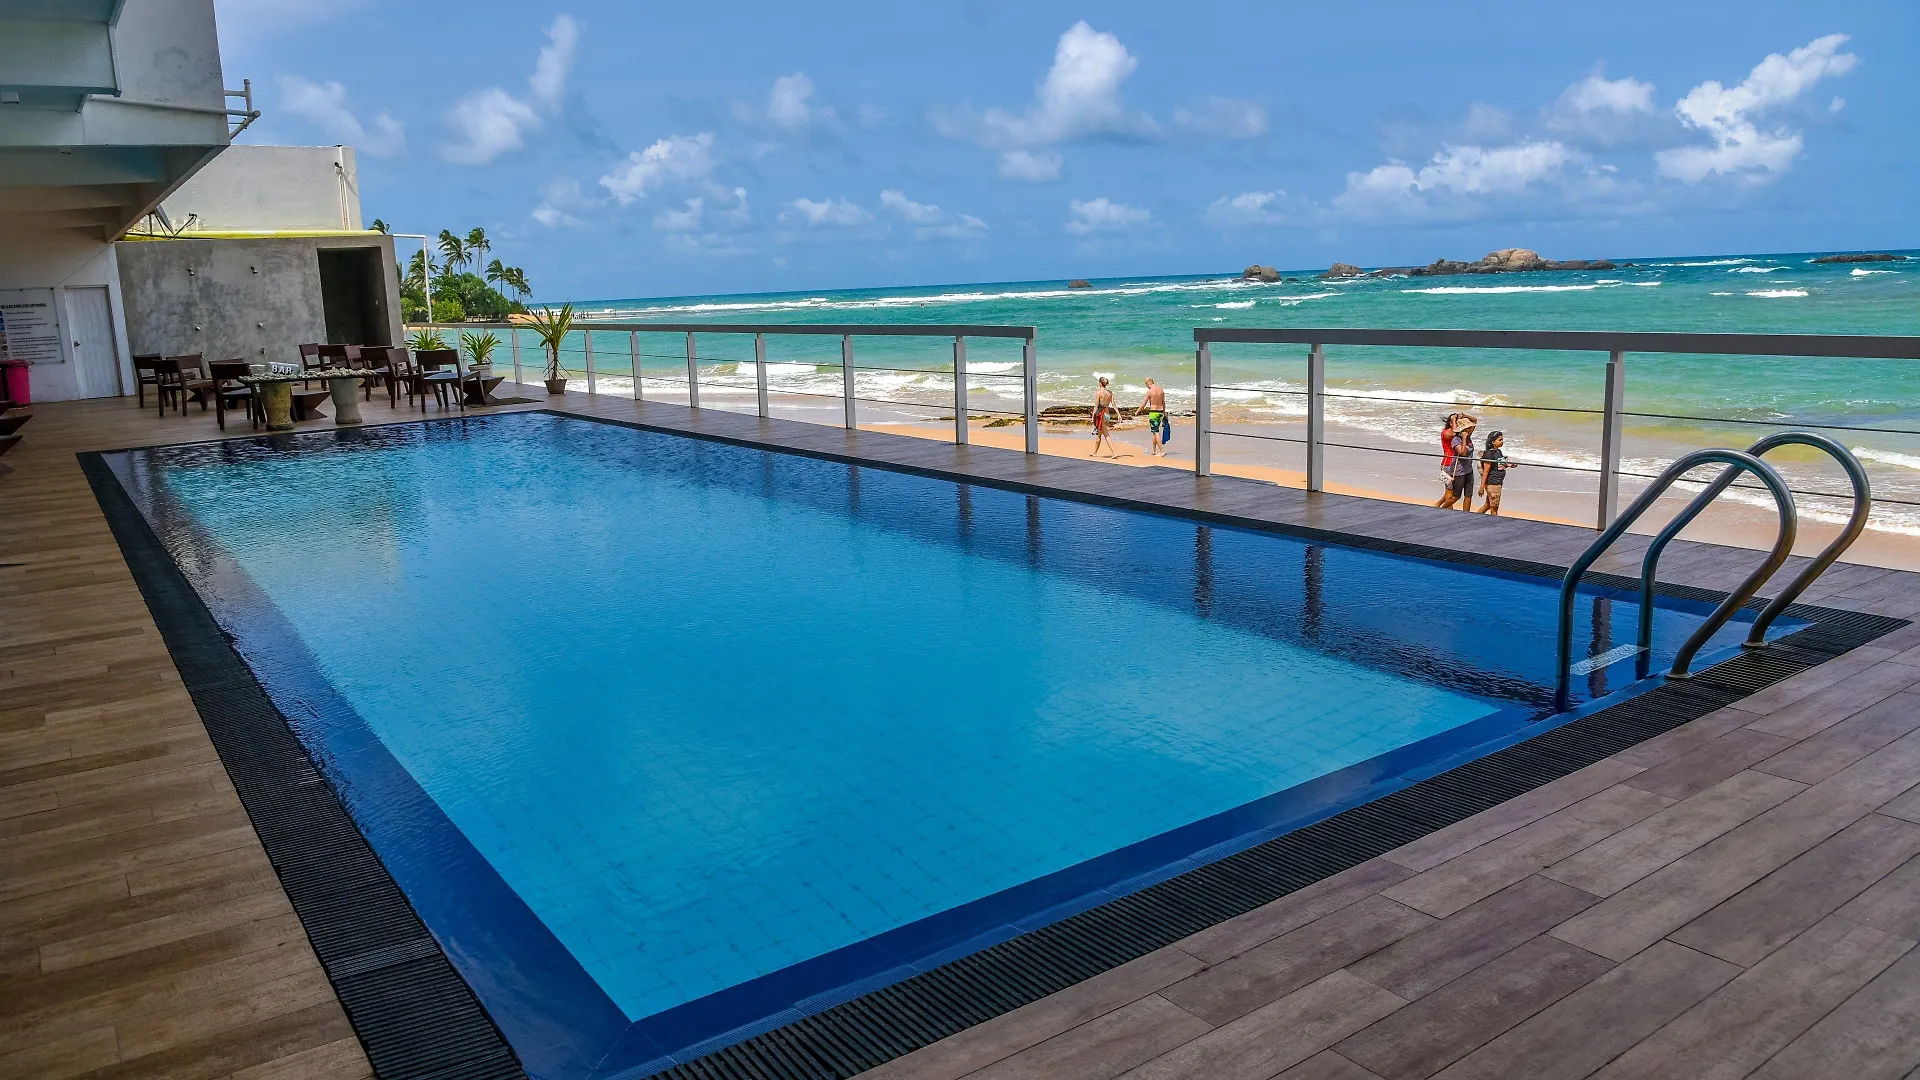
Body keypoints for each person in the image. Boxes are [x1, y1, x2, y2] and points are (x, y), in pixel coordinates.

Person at [1436, 415, 1476, 510]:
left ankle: (1439, 505)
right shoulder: (1451, 436)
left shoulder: (1467, 436)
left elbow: (1475, 421)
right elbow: (1462, 452)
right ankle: (1444, 509)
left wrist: (1465, 415)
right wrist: (1454, 419)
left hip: (1467, 469)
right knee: (1453, 494)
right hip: (1452, 466)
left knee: (1467, 494)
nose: (1470, 429)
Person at [1478, 430, 1511, 514]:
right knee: (1494, 509)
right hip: (1493, 483)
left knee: (1487, 505)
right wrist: (1481, 487)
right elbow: (1486, 471)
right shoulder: (1489, 454)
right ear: (1493, 442)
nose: (1502, 442)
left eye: (1502, 439)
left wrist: (1509, 465)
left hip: (1498, 482)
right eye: (1500, 440)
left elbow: (1500, 465)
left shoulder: (1498, 452)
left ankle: (1473, 517)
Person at [1136, 377, 1169, 456]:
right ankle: (1154, 451)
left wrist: (1137, 411)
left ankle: (1162, 451)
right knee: (1154, 431)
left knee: (1156, 432)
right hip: (1160, 412)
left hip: (1153, 413)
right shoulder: (1161, 390)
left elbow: (1143, 404)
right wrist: (1164, 413)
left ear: (1148, 383)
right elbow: (1163, 403)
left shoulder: (1149, 392)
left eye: (1146, 385)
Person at [1090, 376, 1118, 458]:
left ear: (1100, 383)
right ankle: (1094, 452)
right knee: (1099, 434)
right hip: (1107, 415)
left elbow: (1096, 406)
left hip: (1101, 415)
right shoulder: (1110, 393)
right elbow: (1114, 405)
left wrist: (1093, 417)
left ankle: (1114, 453)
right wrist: (1118, 414)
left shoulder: (1098, 393)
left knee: (1106, 435)